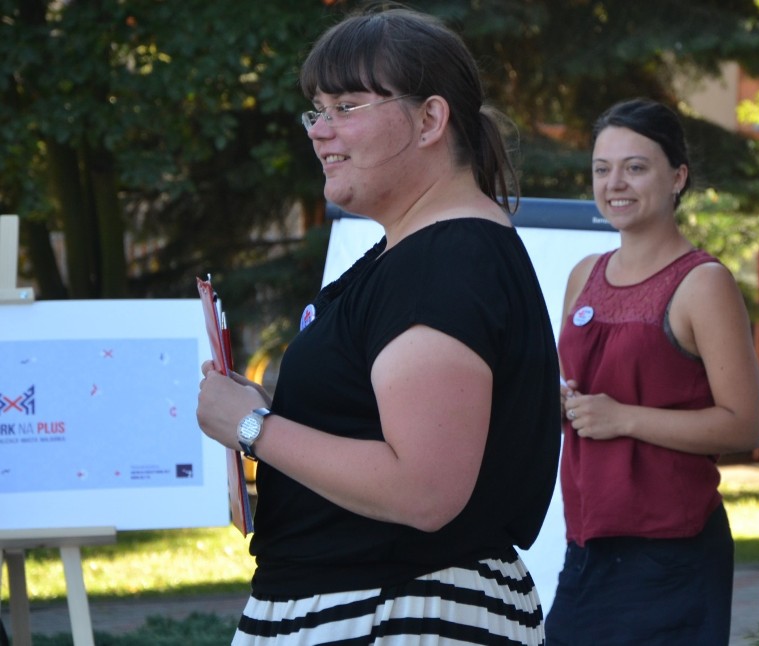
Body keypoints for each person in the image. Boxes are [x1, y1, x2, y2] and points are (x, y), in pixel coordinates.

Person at [196, 6, 562, 645]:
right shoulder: (422, 254)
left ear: (430, 119)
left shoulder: (444, 262)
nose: (319, 131)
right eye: (318, 110)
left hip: (401, 613)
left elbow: (424, 488)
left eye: (346, 106)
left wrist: (253, 428)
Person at [544, 98, 759, 645]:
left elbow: (745, 425)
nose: (614, 182)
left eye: (635, 167)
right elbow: (572, 388)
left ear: (678, 177)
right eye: (602, 169)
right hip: (586, 551)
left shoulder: (702, 283)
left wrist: (623, 418)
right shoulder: (583, 276)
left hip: (672, 554)